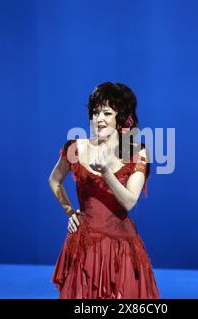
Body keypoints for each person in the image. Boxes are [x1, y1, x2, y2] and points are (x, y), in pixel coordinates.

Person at [49, 82, 160, 299]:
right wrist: (70, 212)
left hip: (122, 249)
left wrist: (107, 173)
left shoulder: (138, 153)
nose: (98, 119)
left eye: (107, 113)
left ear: (120, 118)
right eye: (95, 112)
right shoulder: (76, 148)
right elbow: (54, 181)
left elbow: (129, 201)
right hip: (84, 246)